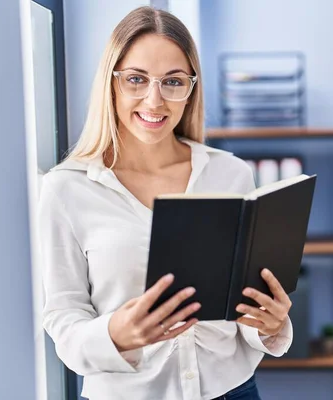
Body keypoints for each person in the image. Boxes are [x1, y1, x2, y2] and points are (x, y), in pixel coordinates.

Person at [37, 6, 293, 400]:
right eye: (136, 79)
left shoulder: (231, 175)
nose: (154, 101)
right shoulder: (66, 189)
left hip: (233, 391)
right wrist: (115, 335)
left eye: (173, 82)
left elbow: (241, 307)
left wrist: (269, 325)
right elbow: (63, 317)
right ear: (112, 83)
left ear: (191, 88)